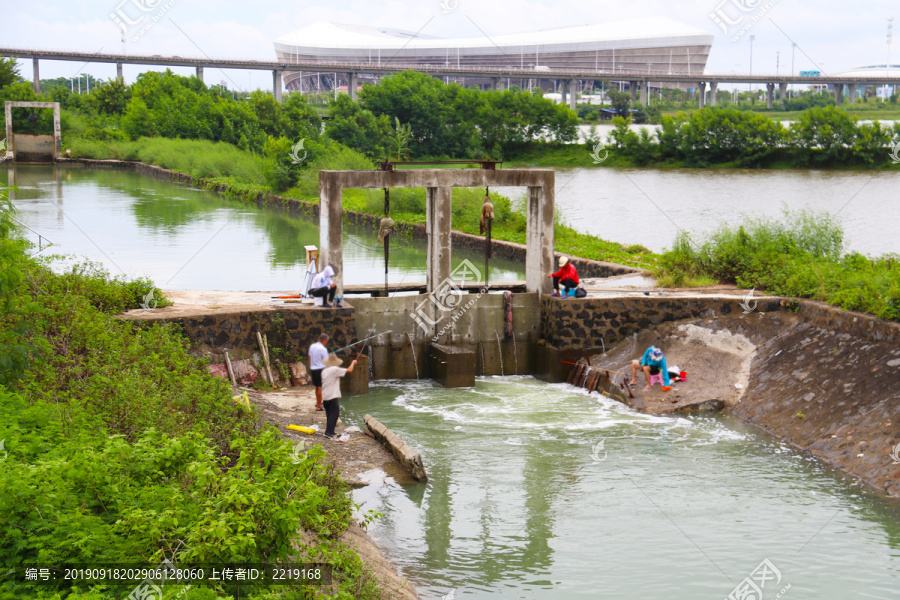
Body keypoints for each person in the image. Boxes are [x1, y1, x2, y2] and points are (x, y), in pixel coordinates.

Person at [320, 352, 357, 440]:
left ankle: (330, 432)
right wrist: (353, 363)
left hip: (325, 396)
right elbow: (349, 370)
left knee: (329, 414)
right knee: (334, 414)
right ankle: (328, 433)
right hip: (332, 396)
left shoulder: (324, 371)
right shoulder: (334, 370)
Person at [308, 333, 329, 411]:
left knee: (317, 387)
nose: (326, 343)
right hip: (320, 369)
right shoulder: (323, 349)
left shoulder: (312, 346)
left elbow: (309, 356)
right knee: (320, 387)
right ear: (324, 340)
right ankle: (319, 406)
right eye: (326, 341)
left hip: (313, 369)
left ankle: (318, 402)